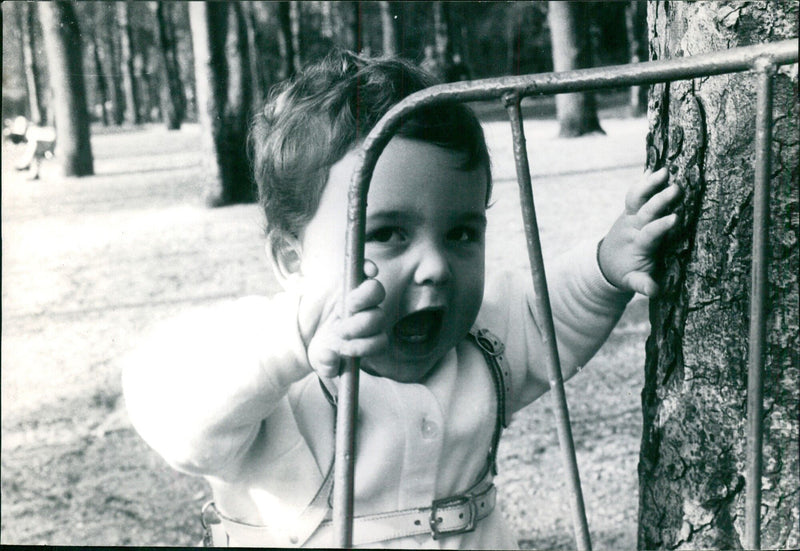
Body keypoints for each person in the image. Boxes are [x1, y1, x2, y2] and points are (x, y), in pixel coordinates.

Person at [123, 50, 681, 548]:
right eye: (387, 233)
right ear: (292, 261)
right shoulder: (273, 379)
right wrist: (287, 346)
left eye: (462, 233)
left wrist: (607, 265)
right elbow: (171, 405)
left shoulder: (480, 345)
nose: (436, 267)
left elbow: (546, 315)